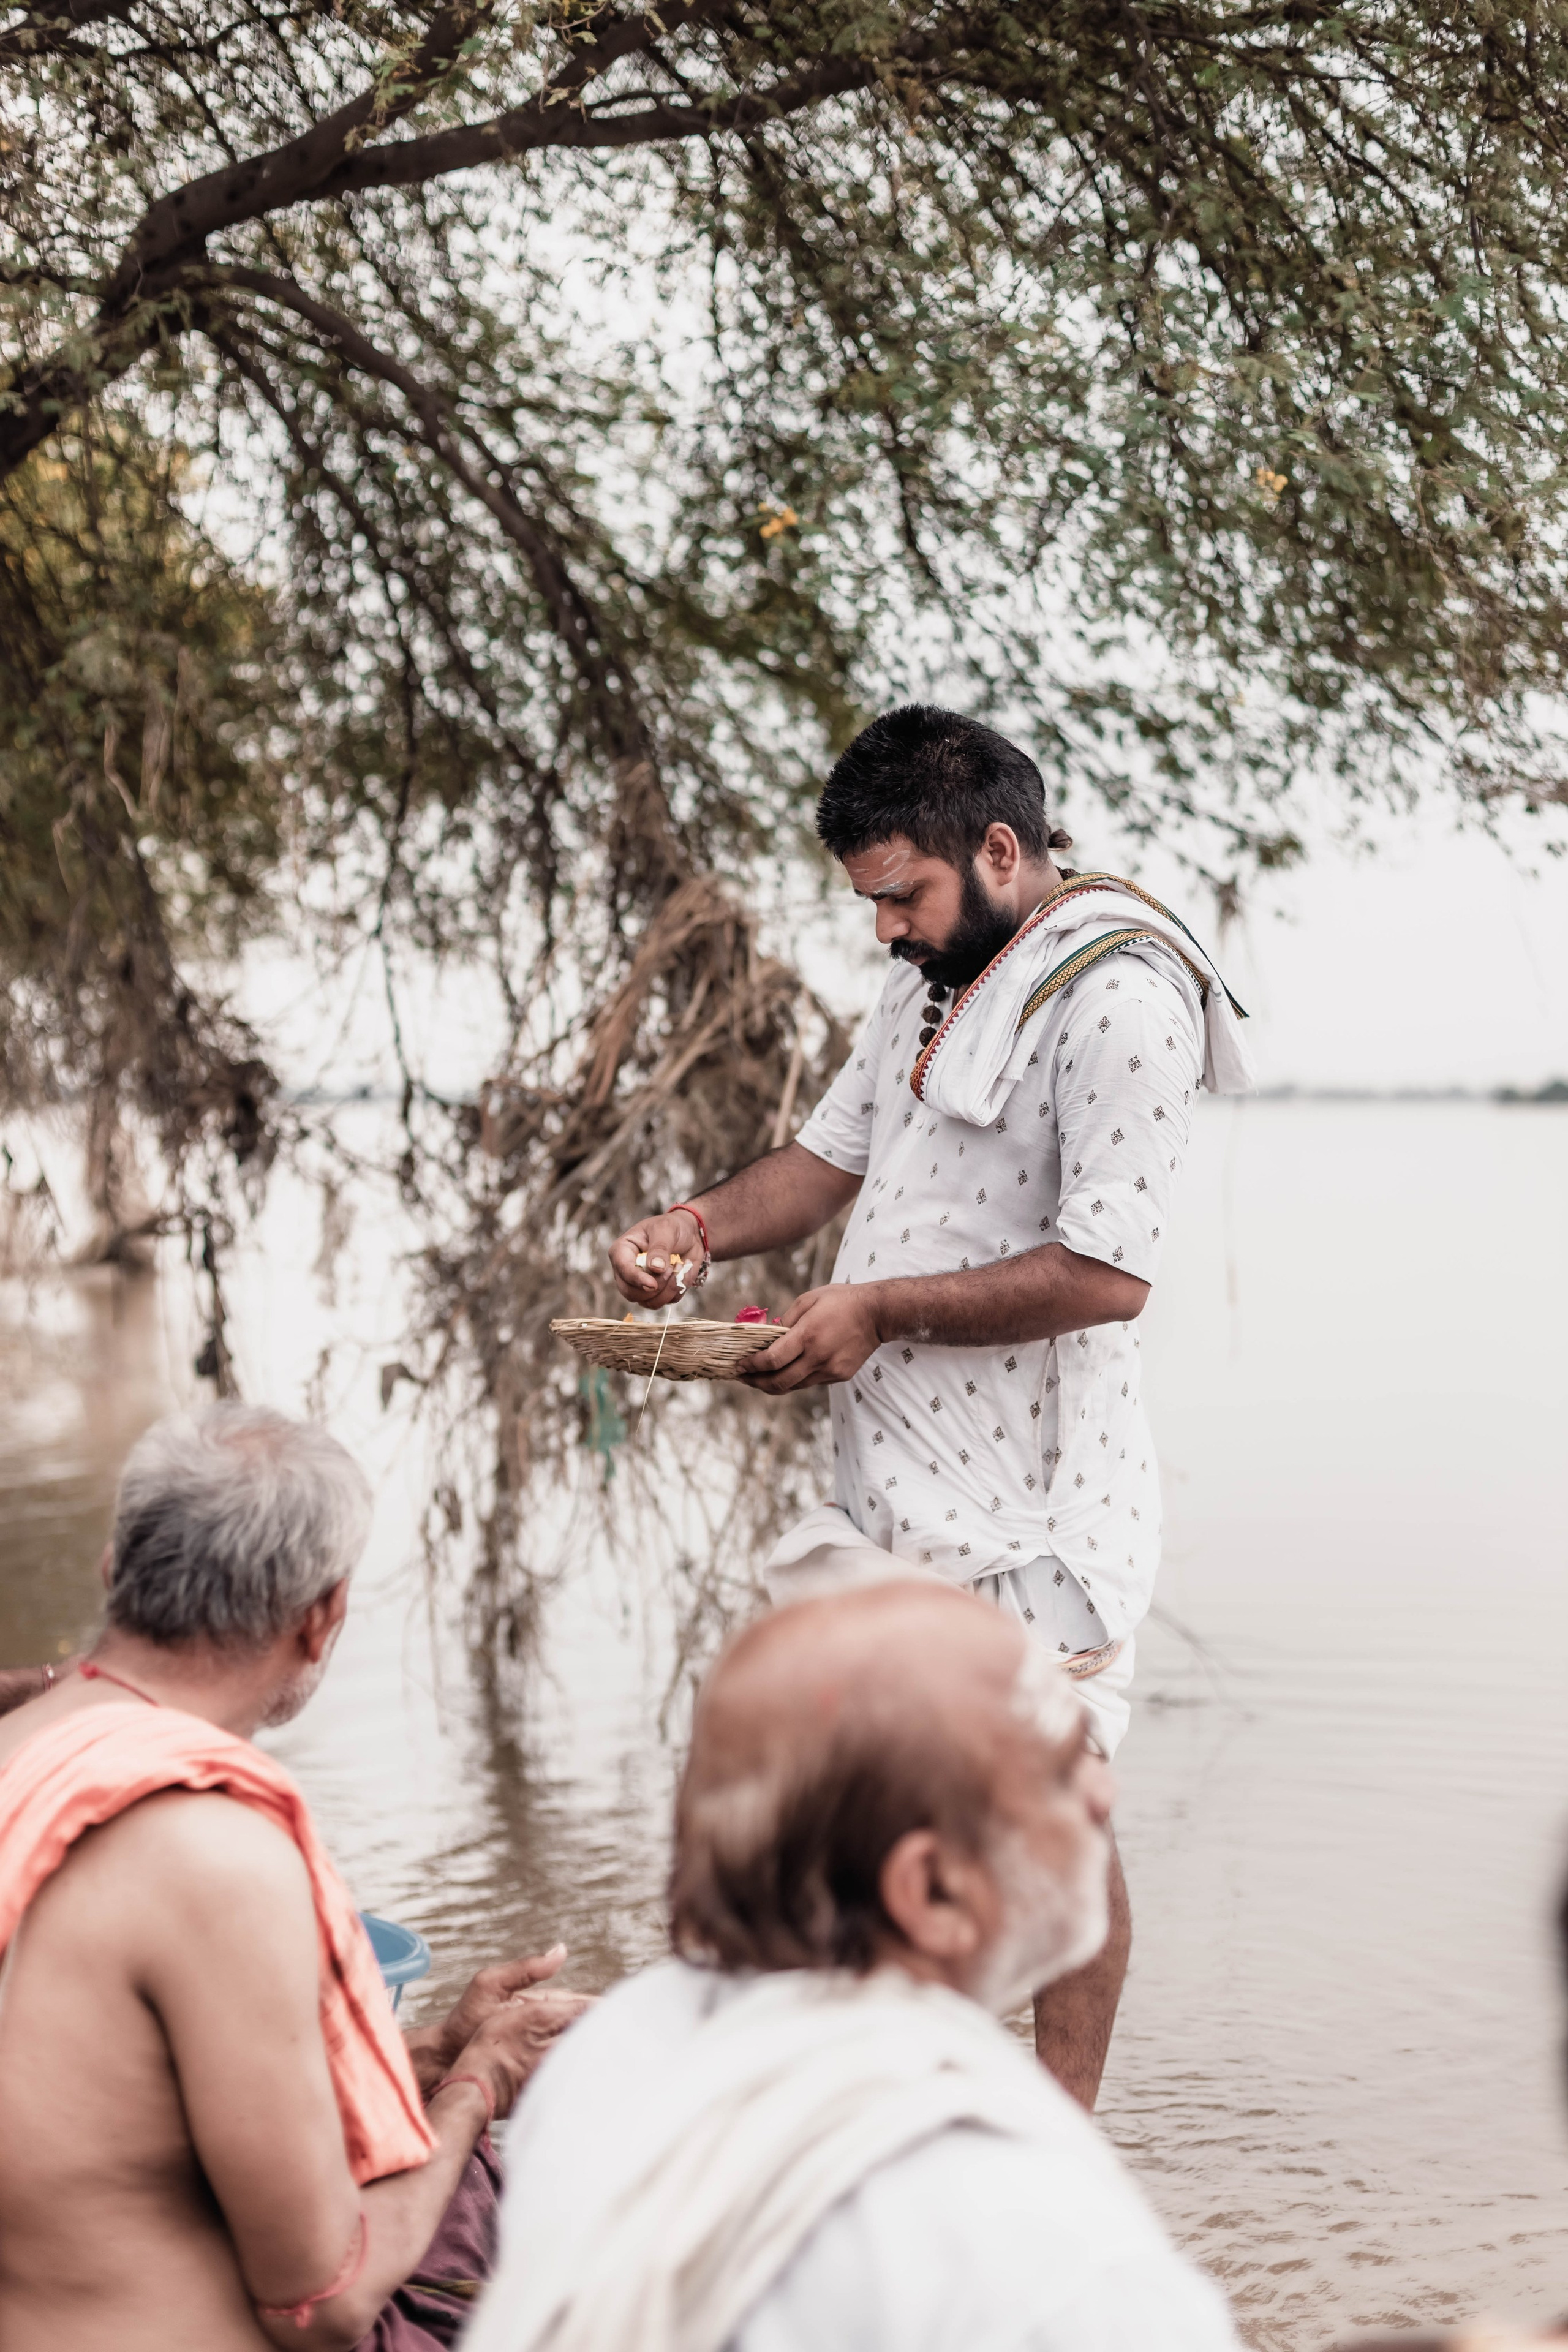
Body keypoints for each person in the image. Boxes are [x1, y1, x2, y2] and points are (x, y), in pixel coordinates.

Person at [611, 703, 1252, 2105]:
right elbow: (824, 1160)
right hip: (893, 1491)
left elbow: (1105, 1273)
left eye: (899, 893)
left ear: (1002, 848)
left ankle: (1057, 2136)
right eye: (868, 900)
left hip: (1035, 1515)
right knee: (871, 1802)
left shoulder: (1120, 998)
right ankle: (893, 2094)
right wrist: (697, 1225)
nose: (882, 926)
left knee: (1059, 1817)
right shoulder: (925, 974)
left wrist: (877, 1310)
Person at [463, 1580, 1240, 2352]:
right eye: (1067, 1766)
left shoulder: (606, 2053)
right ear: (932, 1891)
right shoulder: (1056, 2255)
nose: (1106, 1793)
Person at [0, 1403, 589, 2352]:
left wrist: (434, 2055)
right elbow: (322, 2301)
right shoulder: (216, 1850)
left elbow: (116, 2116)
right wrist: (486, 2082)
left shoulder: (21, 1750)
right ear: (323, 1621)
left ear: (115, 1574)